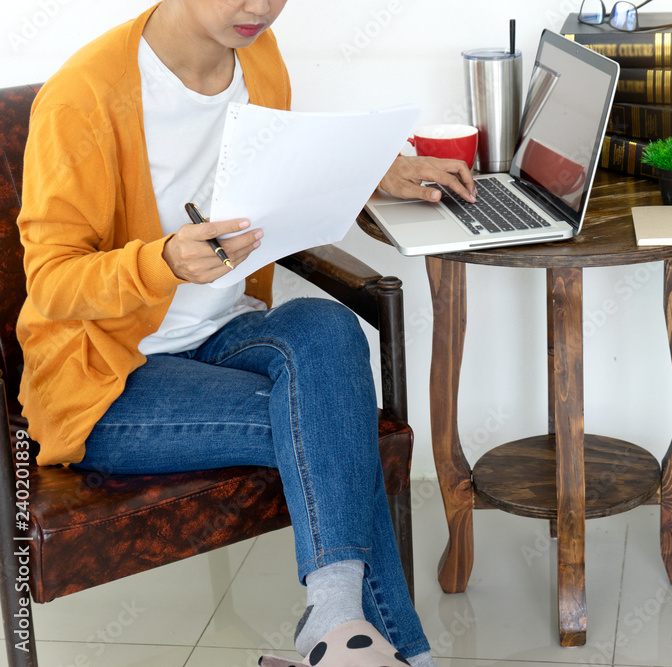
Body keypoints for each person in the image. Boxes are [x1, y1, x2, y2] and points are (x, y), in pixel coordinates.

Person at [15, 1, 477, 665]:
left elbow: (275, 174)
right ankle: (386, 650)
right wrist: (162, 261)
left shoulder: (257, 55)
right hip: (106, 378)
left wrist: (381, 172)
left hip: (219, 334)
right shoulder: (84, 95)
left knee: (326, 324)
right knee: (331, 420)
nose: (259, 6)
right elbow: (52, 280)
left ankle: (335, 624)